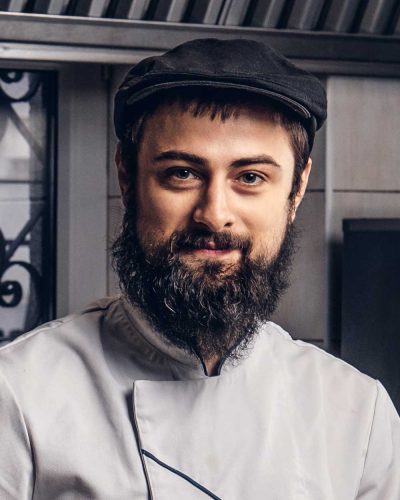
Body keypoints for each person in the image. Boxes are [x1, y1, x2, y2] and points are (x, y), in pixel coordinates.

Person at [0, 38, 399, 499]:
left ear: (297, 189)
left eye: (250, 177)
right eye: (181, 173)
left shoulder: (358, 415)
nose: (214, 213)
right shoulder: (18, 397)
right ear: (127, 178)